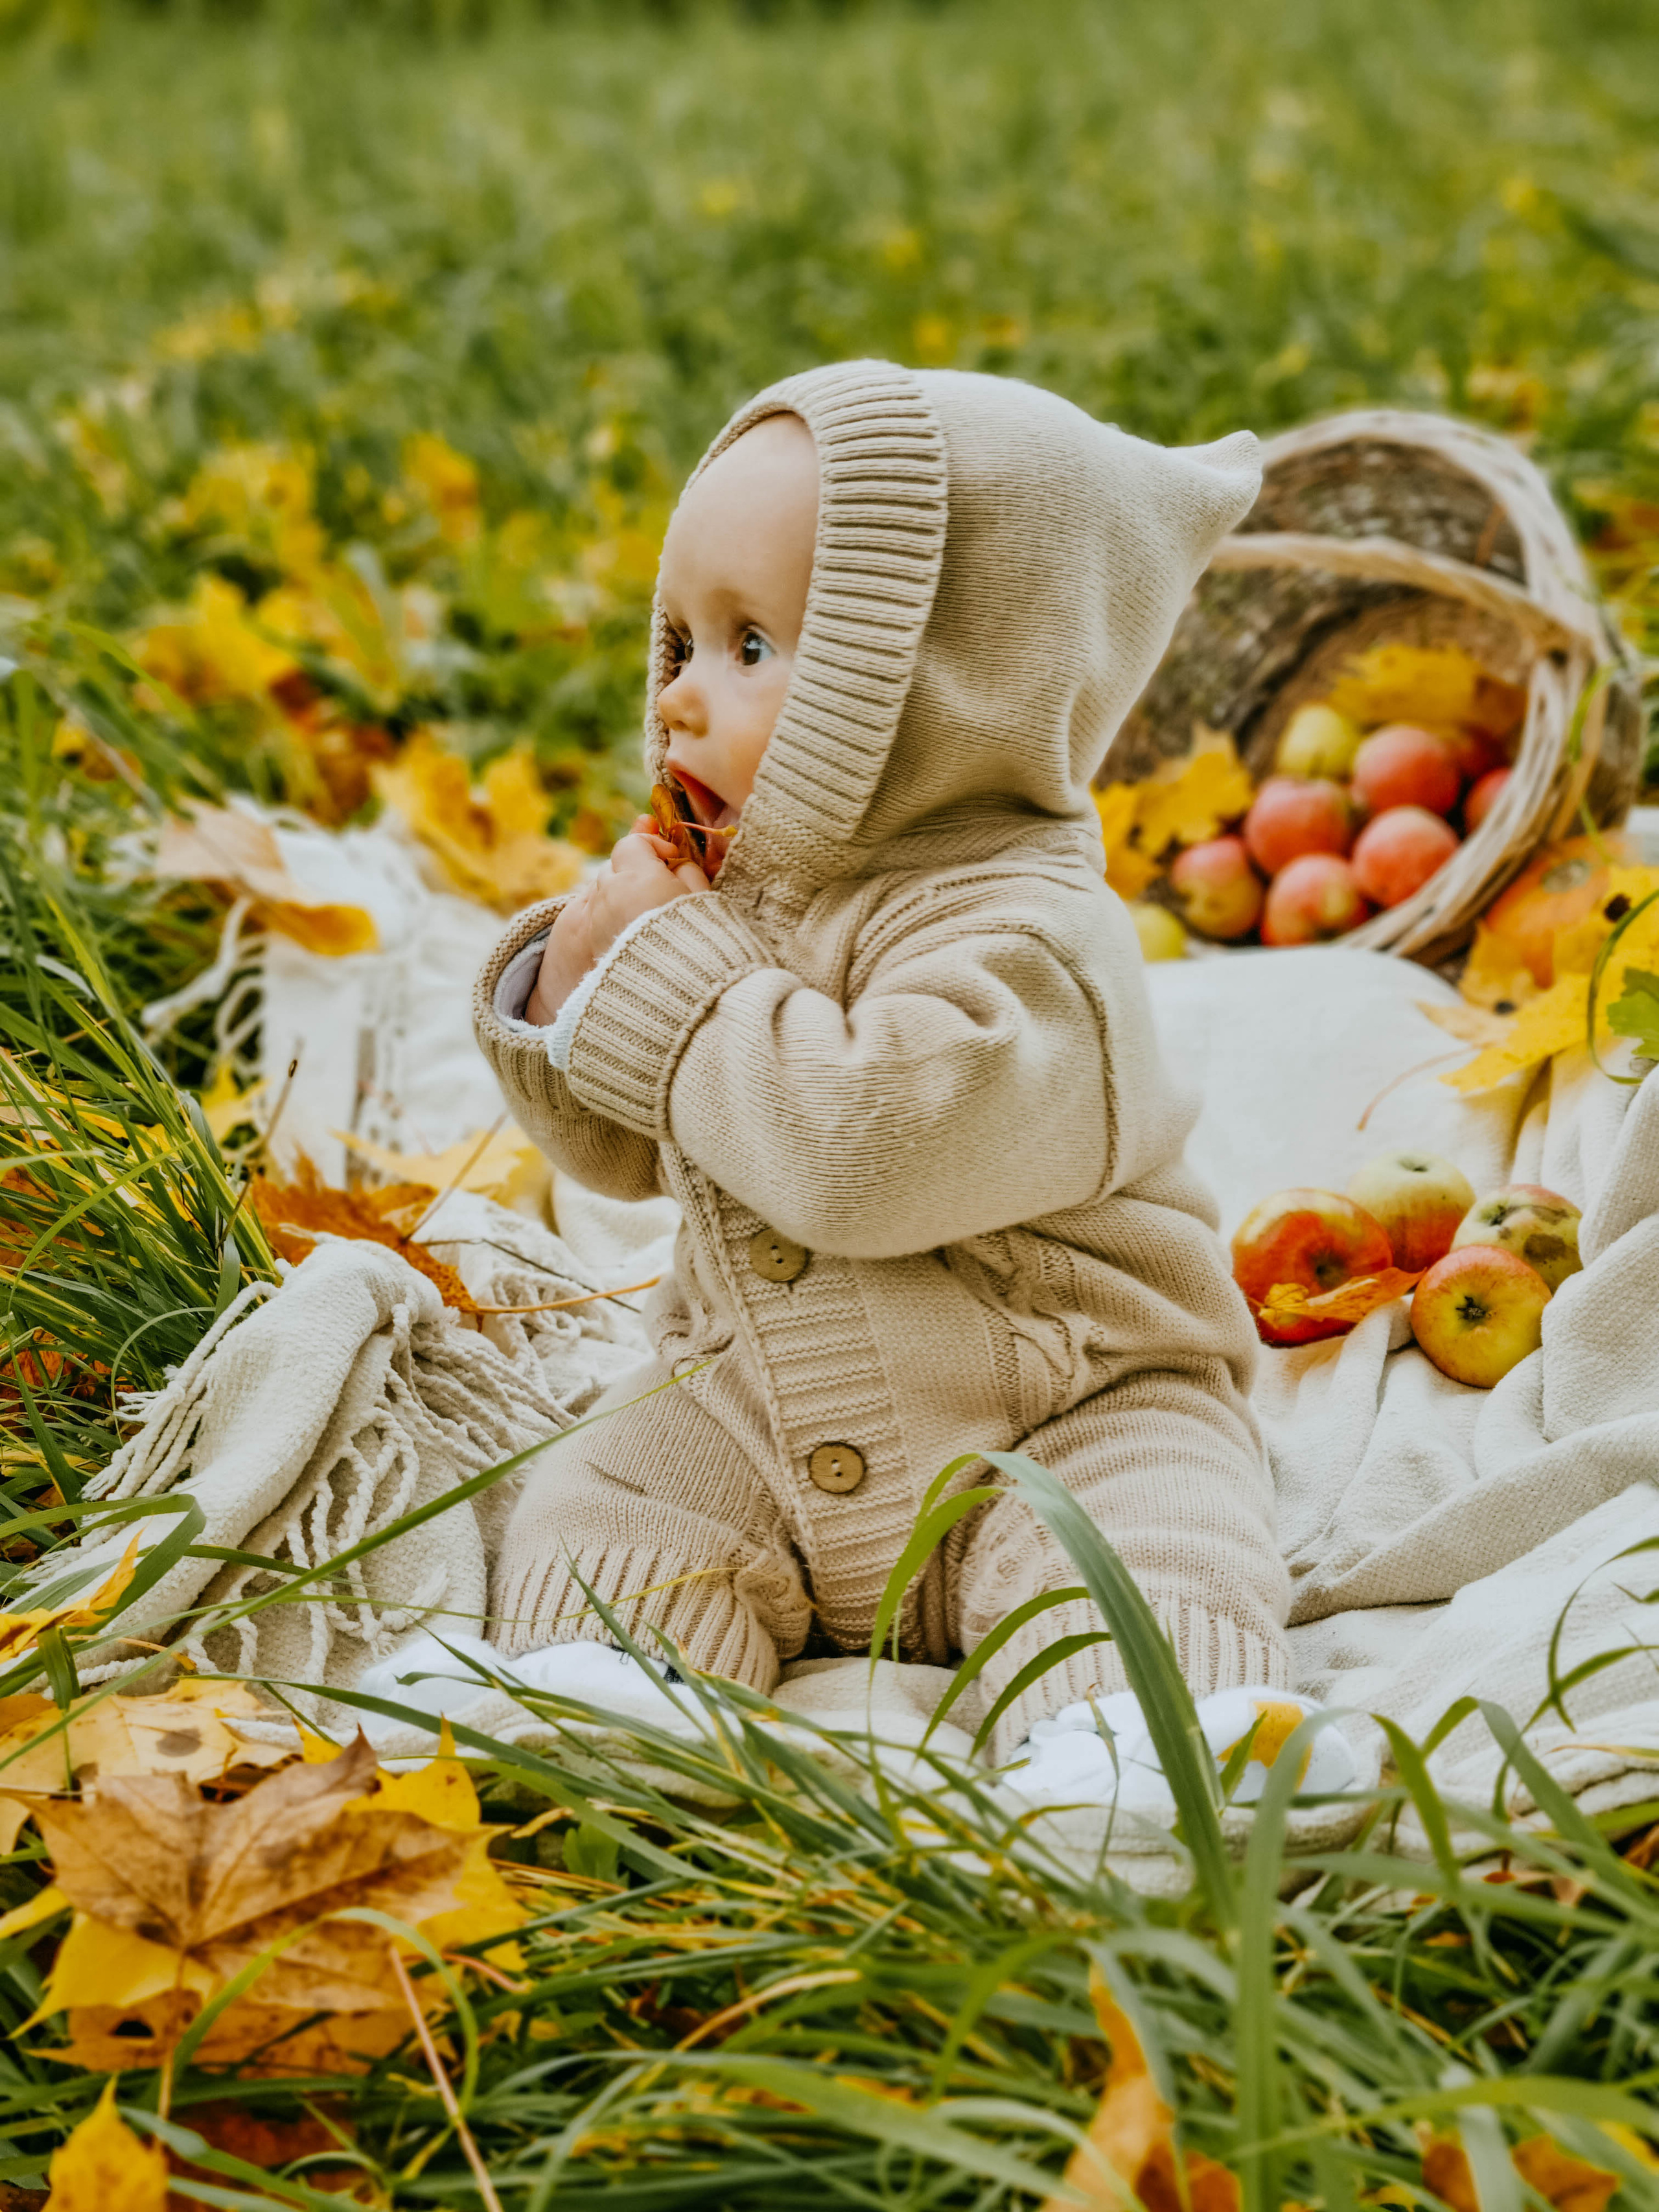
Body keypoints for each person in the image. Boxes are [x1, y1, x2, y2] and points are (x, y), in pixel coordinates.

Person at [415, 361, 1351, 1807]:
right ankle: (615, 1681)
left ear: (941, 684)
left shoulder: (1034, 937)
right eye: (673, 644)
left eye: (748, 646)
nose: (674, 702)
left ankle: (1143, 1748)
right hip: (763, 1411)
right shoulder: (738, 895)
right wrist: (572, 978)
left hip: (1053, 1406)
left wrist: (671, 980)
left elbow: (863, 1154)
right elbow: (614, 1150)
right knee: (614, 1483)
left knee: (1152, 1529)